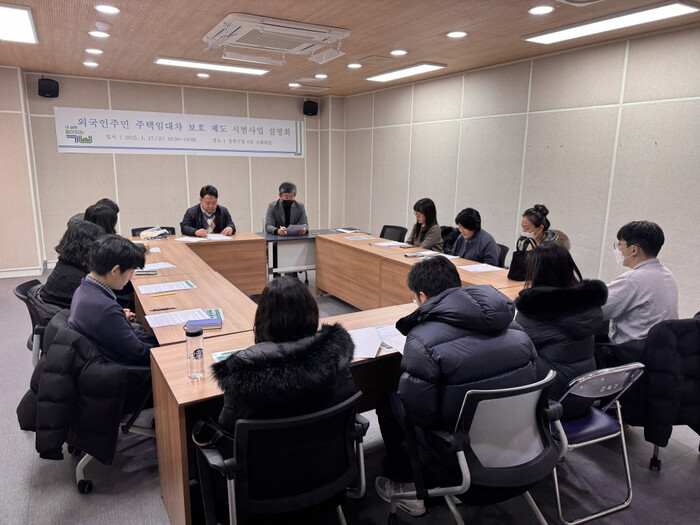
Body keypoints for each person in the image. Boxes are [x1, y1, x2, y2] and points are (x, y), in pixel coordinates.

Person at [375, 256, 540, 516]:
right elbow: (535, 379)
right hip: (523, 442)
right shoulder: (515, 326)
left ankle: (407, 486)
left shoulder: (422, 339)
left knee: (389, 402)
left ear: (422, 296)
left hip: (463, 451)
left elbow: (420, 414)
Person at [212, 276, 356, 428]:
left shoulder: (244, 371)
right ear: (312, 310)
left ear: (263, 317)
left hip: (268, 444)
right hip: (326, 440)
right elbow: (347, 394)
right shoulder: (334, 351)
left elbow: (228, 425)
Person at [514, 243, 608, 419]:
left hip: (554, 401)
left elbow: (515, 346)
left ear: (536, 271)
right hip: (586, 393)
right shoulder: (587, 302)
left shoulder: (536, 309)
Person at [69, 235, 158, 366]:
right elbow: (138, 353)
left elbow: (128, 335)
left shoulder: (83, 289)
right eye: (131, 272)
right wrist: (166, 349)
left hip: (105, 357)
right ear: (115, 270)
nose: (131, 277)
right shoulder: (105, 308)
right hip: (123, 370)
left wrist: (157, 342)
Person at [602, 221, 678, 346]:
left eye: (620, 244)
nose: (618, 249)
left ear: (633, 249)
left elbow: (598, 309)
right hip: (660, 350)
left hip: (630, 352)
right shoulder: (667, 274)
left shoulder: (632, 280)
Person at [41, 220, 104, 309]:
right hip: (69, 312)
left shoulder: (65, 263)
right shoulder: (79, 281)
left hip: (59, 308)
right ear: (88, 245)